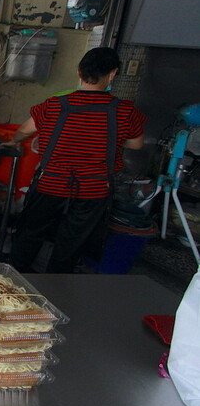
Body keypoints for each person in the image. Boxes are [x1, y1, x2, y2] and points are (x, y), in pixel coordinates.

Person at [8, 47, 145, 273]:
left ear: (79, 73)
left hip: (51, 183)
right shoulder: (124, 111)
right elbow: (136, 144)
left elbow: (25, 129)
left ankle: (13, 279)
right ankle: (56, 289)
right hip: (94, 189)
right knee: (71, 243)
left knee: (30, 234)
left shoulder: (54, 105)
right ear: (112, 74)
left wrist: (14, 140)